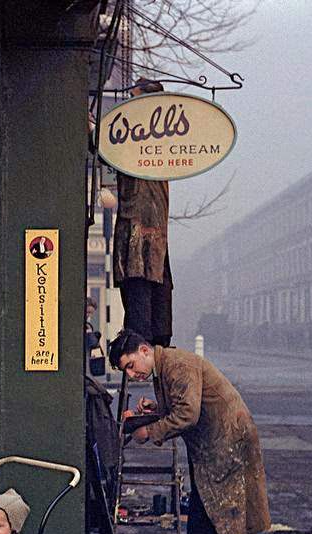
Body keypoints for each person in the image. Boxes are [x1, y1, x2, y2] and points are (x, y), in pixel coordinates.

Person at [108, 329, 271, 534]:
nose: (133, 375)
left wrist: (151, 430)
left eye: (131, 365)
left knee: (215, 515)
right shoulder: (164, 367)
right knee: (198, 510)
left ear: (145, 350)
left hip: (225, 443)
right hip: (209, 446)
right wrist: (156, 410)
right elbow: (185, 403)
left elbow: (187, 414)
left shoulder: (177, 365)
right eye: (127, 371)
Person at [112, 78, 173, 347]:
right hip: (140, 234)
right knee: (143, 305)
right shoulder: (130, 137)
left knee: (151, 307)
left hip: (150, 237)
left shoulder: (155, 140)